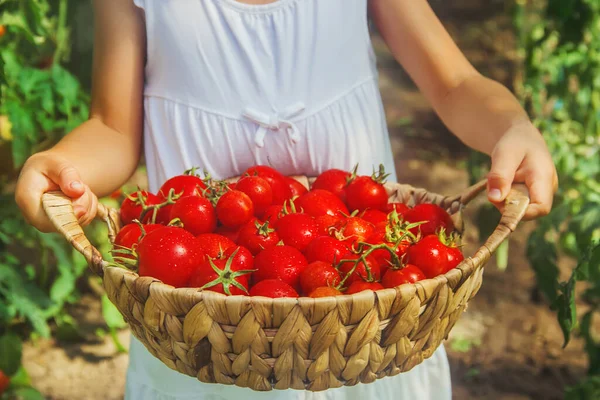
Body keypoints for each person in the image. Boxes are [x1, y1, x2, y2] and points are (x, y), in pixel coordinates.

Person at [15, 0, 558, 399]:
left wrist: (511, 126)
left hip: (364, 323)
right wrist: (64, 168)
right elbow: (112, 127)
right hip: (208, 327)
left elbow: (455, 83)